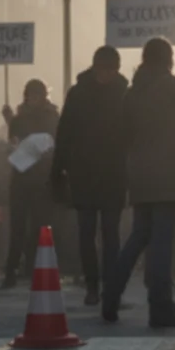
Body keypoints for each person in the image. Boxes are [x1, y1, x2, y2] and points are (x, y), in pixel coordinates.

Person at [103, 37, 175, 328]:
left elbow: (123, 133)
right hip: (167, 173)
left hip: (140, 173)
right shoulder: (165, 85)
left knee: (138, 236)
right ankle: (160, 305)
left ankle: (111, 295)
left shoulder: (132, 92)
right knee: (162, 242)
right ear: (167, 59)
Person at [52, 46, 130, 307]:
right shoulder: (79, 93)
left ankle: (109, 286)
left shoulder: (124, 94)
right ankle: (92, 285)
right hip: (84, 171)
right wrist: (59, 169)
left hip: (112, 172)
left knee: (110, 234)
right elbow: (64, 133)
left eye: (110, 70)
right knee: (86, 233)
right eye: (102, 69)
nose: (105, 75)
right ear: (95, 68)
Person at [0, 79, 60, 290]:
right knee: (18, 226)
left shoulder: (52, 117)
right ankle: (12, 270)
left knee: (40, 226)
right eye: (30, 96)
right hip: (22, 176)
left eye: (37, 95)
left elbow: (56, 143)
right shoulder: (19, 119)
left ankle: (37, 269)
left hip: (40, 179)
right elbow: (13, 143)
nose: (33, 100)